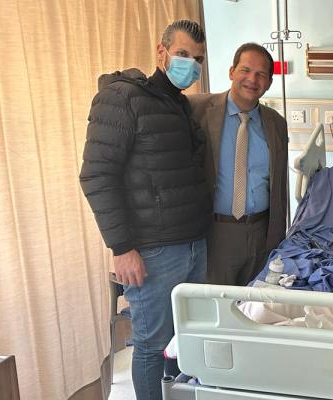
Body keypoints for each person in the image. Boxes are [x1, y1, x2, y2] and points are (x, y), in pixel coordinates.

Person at [79, 20, 211, 400]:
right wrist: (122, 248)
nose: (190, 65)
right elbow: (97, 175)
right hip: (152, 251)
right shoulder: (123, 98)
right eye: (183, 54)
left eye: (198, 59)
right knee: (151, 347)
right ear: (161, 51)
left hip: (192, 243)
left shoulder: (179, 105)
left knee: (182, 339)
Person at [189, 43, 289, 286]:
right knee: (218, 303)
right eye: (245, 70)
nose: (252, 79)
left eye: (261, 74)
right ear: (232, 71)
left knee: (256, 304)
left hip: (261, 233)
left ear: (269, 83)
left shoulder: (276, 124)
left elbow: (279, 186)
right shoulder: (196, 110)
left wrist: (277, 238)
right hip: (214, 232)